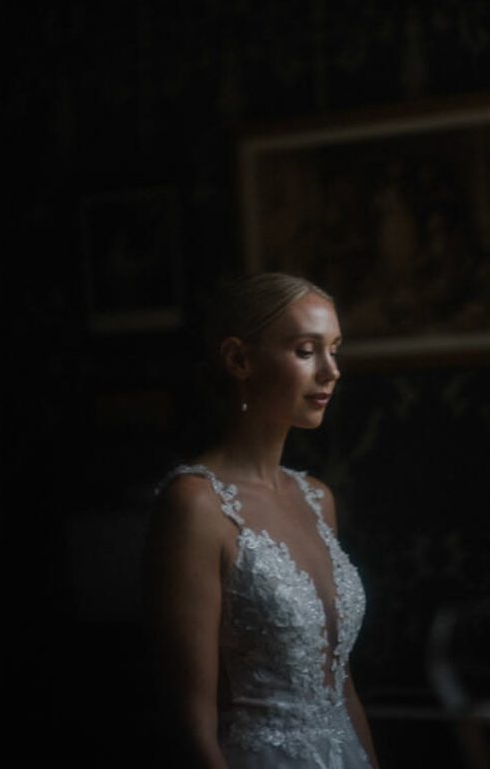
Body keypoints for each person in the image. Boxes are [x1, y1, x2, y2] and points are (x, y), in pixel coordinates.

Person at [143, 272, 380, 769]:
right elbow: (190, 720)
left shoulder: (318, 498)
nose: (331, 370)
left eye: (335, 348)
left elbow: (342, 687)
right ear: (239, 360)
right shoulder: (195, 505)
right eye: (305, 350)